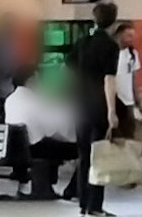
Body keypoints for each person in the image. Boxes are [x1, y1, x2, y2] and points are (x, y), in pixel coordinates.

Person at [64, 2, 128, 217]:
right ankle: (95, 207)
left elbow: (68, 68)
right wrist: (112, 111)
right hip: (98, 107)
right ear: (114, 20)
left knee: (84, 157)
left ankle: (83, 204)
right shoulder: (110, 46)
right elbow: (109, 80)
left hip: (80, 106)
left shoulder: (82, 42)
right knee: (99, 156)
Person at [5, 65, 85, 198]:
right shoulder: (35, 100)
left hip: (16, 150)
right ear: (31, 80)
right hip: (36, 149)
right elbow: (51, 130)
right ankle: (72, 190)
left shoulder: (10, 100)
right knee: (84, 150)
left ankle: (47, 186)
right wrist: (72, 139)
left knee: (53, 145)